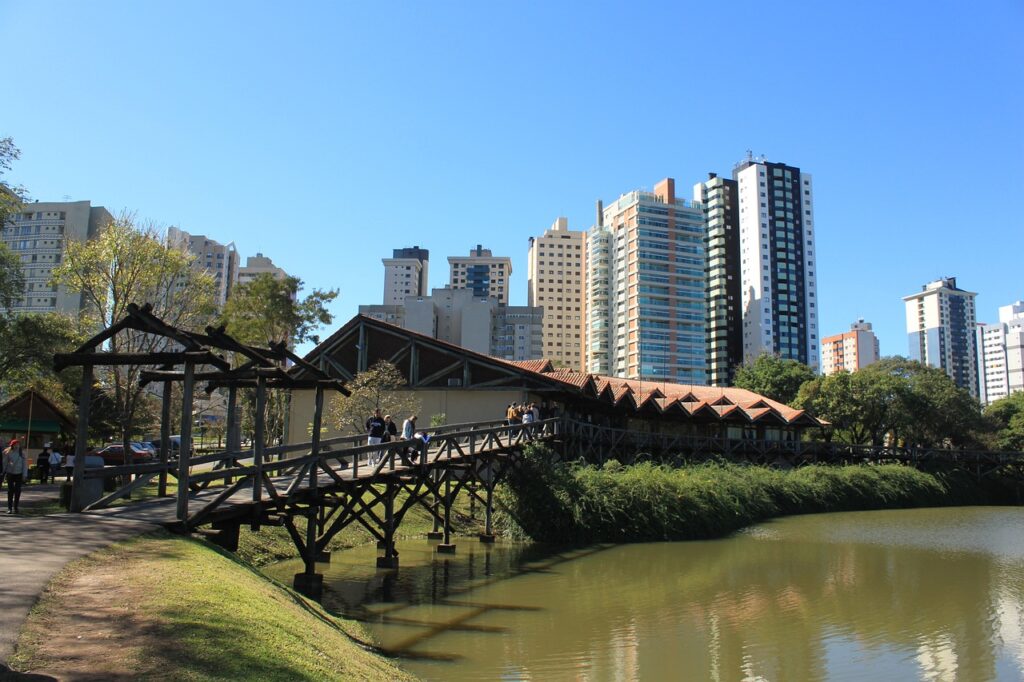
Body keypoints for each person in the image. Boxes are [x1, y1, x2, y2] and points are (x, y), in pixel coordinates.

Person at [3, 438, 29, 514]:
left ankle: (16, 507)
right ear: (12, 445)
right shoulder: (8, 452)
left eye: (18, 444)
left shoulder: (22, 453)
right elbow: (5, 463)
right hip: (10, 473)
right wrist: (3, 472)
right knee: (10, 491)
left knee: (18, 491)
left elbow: (25, 465)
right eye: (15, 444)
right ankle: (9, 508)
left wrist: (25, 475)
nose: (17, 446)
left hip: (19, 474)